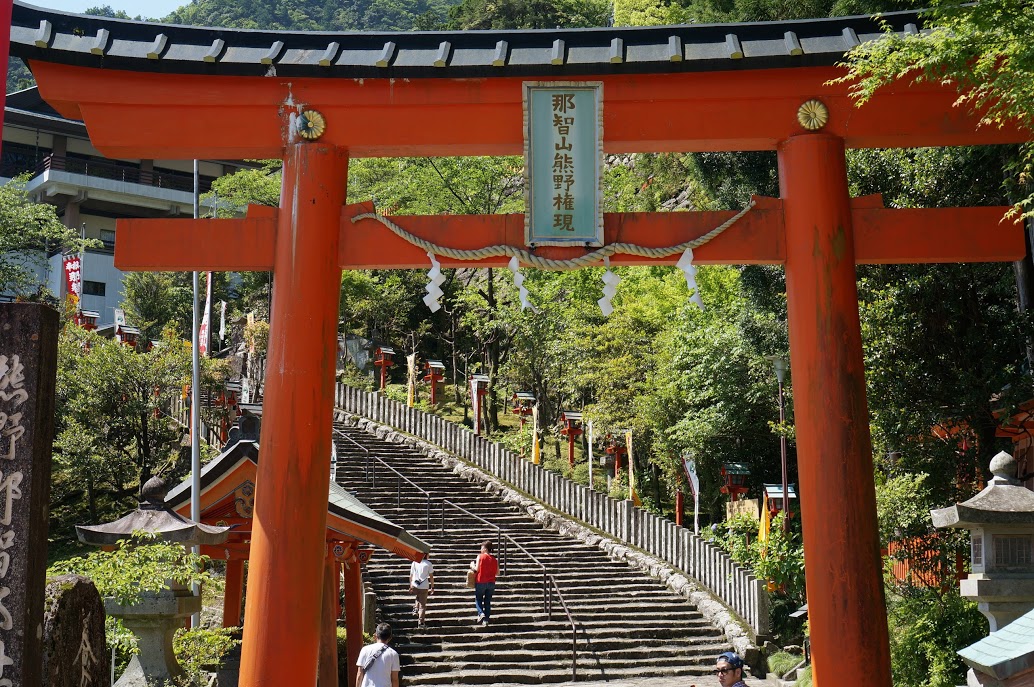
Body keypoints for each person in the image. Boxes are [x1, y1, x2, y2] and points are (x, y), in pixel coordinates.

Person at [356, 623, 400, 687]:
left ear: (375, 635)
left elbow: (359, 674)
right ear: (390, 638)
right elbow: (394, 679)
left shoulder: (365, 650)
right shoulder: (393, 654)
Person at [469, 539, 499, 626]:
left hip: (481, 581)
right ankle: (486, 620)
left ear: (485, 549)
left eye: (482, 548)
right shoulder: (494, 559)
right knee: (487, 601)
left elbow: (476, 569)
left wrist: (472, 565)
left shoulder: (480, 556)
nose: (480, 550)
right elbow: (497, 572)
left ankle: (481, 613)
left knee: (478, 598)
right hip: (491, 583)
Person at [409, 551, 434, 628]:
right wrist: (432, 587)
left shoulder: (414, 563)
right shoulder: (428, 564)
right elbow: (431, 577)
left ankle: (416, 608)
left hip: (415, 584)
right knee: (422, 605)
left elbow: (411, 575)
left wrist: (410, 585)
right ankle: (421, 622)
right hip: (424, 585)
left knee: (418, 596)